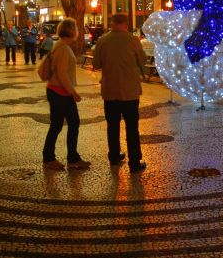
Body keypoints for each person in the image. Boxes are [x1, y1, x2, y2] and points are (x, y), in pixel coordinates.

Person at [93, 13, 147, 173]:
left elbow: (96, 63)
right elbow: (142, 61)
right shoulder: (133, 40)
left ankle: (114, 155)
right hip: (130, 92)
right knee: (132, 127)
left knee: (112, 125)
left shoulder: (102, 40)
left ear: (111, 23)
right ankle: (134, 162)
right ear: (125, 24)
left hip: (110, 91)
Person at [42, 18, 90, 170]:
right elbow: (62, 74)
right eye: (76, 28)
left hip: (56, 90)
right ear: (71, 31)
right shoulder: (63, 48)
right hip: (60, 92)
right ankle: (71, 158)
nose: (78, 31)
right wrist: (73, 92)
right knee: (72, 123)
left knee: (57, 125)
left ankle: (50, 157)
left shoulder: (60, 45)